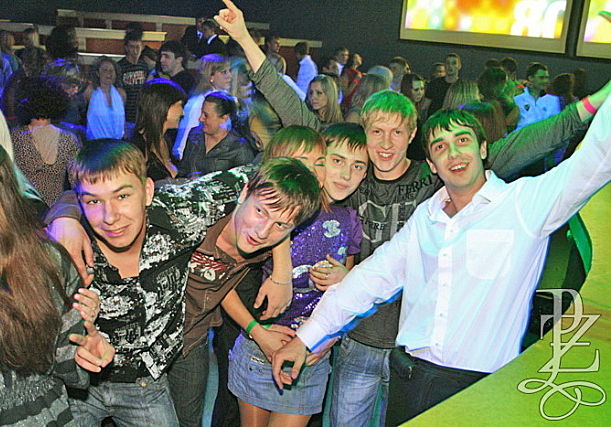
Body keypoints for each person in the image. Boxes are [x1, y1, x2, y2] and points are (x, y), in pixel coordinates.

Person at [272, 93, 611, 423]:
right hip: (409, 379)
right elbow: (370, 279)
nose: (453, 153)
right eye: (440, 147)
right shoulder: (426, 217)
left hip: (477, 388)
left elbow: (595, 160)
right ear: (433, 165)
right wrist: (305, 339)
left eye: (462, 140)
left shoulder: (524, 205)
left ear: (482, 149)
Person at [44, 140, 321, 426]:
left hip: (152, 373)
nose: (110, 217)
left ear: (147, 191)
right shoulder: (71, 245)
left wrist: (282, 270)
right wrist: (63, 216)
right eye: (93, 202)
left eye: (123, 196)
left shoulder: (182, 216)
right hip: (80, 384)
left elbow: (276, 190)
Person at [226, 123, 367, 426]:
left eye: (319, 162)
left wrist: (329, 338)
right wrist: (258, 331)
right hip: (260, 348)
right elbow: (222, 285)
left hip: (311, 356)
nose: (313, 172)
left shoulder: (347, 219)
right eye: (336, 160)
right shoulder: (266, 219)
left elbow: (347, 296)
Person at [0, 133, 112, 425]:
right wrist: (88, 350)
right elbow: (70, 366)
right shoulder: (50, 259)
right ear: (12, 187)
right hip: (50, 416)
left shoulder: (51, 258)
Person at [12, 76, 79, 205]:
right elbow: (76, 182)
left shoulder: (16, 137)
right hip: (56, 211)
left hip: (24, 209)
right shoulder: (69, 139)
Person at [178, 91, 255, 178]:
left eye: (206, 115)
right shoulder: (195, 134)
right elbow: (183, 169)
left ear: (224, 118)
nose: (200, 119)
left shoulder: (240, 148)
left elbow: (245, 181)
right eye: (201, 113)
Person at [173, 54, 232, 159]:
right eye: (224, 72)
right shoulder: (197, 104)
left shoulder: (229, 100)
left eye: (229, 71)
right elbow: (183, 143)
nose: (229, 76)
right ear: (211, 76)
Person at [132, 78, 185, 181]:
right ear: (163, 106)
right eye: (179, 105)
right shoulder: (138, 149)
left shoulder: (166, 141)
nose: (182, 113)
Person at [84, 56, 126, 140]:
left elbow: (123, 121)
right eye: (105, 70)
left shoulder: (121, 93)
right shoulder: (90, 91)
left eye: (112, 70)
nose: (109, 73)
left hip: (117, 143)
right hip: (95, 143)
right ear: (97, 73)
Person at [118, 31, 150, 138]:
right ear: (126, 48)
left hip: (141, 116)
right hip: (126, 116)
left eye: (138, 47)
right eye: (132, 47)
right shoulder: (120, 67)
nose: (135, 51)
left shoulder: (143, 65)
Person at [514, 62, 561, 131]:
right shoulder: (517, 99)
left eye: (546, 78)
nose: (545, 81)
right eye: (541, 78)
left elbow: (555, 126)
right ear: (531, 78)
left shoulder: (553, 100)